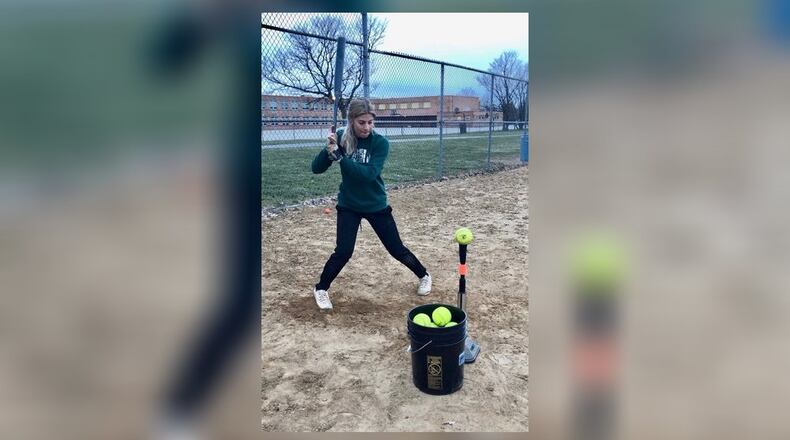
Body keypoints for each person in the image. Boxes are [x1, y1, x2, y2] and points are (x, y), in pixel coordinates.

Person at [311, 98, 431, 310]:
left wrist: (341, 159)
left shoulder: (380, 143)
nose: (367, 127)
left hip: (376, 204)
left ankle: (424, 275)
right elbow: (316, 169)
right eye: (361, 122)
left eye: (370, 122)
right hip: (349, 204)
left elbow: (368, 175)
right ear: (351, 121)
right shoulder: (341, 137)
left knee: (396, 249)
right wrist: (327, 150)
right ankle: (321, 288)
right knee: (343, 251)